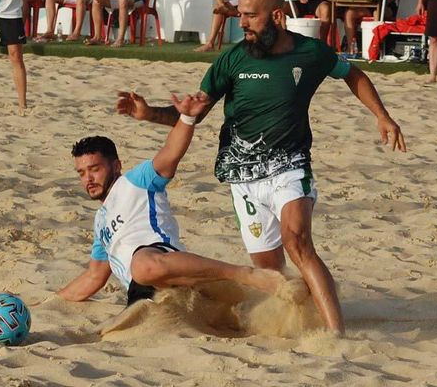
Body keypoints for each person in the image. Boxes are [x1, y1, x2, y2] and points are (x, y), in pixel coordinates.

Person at [116, 0, 406, 334]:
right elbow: (194, 113)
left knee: (297, 242)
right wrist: (149, 114)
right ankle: (298, 320)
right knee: (271, 273)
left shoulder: (311, 52)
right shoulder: (232, 59)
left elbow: (354, 75)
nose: (243, 23)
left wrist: (382, 115)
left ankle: (336, 335)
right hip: (243, 177)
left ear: (278, 16)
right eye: (240, 15)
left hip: (290, 164)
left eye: (251, 16)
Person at [58, 102, 290, 306]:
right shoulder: (100, 222)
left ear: (116, 165)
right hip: (142, 293)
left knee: (142, 267)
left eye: (94, 169)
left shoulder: (136, 181)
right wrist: (50, 302)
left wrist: (187, 118)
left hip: (160, 263)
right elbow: (94, 277)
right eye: (81, 173)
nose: (88, 178)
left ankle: (244, 274)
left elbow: (171, 153)